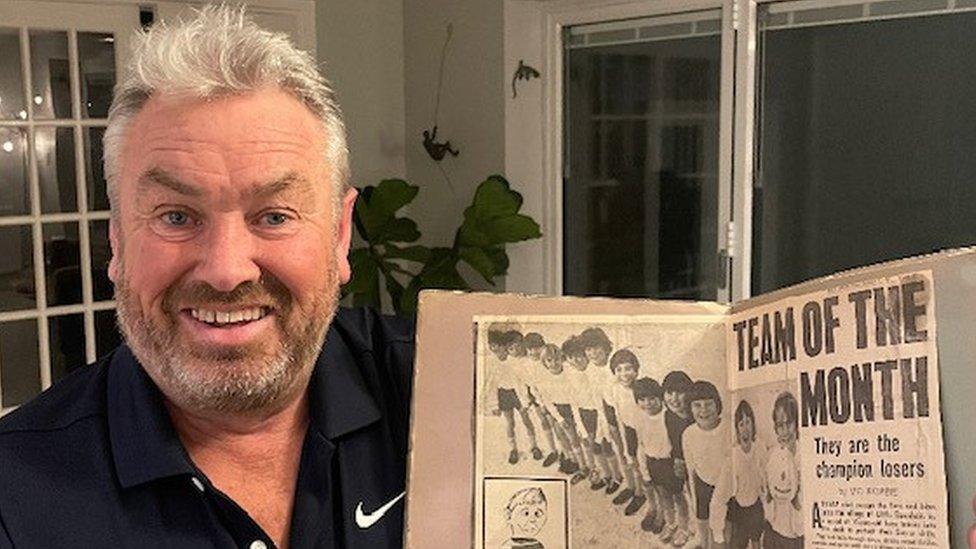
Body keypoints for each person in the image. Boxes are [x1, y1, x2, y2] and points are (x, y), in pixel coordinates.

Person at [0, 7, 414, 548]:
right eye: (176, 216)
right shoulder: (15, 497)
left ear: (339, 235)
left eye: (274, 216)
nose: (225, 271)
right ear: (119, 239)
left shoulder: (460, 390)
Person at [682, 380, 730, 549]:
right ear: (690, 408)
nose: (703, 410)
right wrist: (695, 501)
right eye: (697, 405)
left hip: (726, 489)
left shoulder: (729, 427)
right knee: (704, 522)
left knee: (723, 532)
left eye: (709, 404)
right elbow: (691, 470)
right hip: (703, 485)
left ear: (717, 404)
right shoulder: (688, 434)